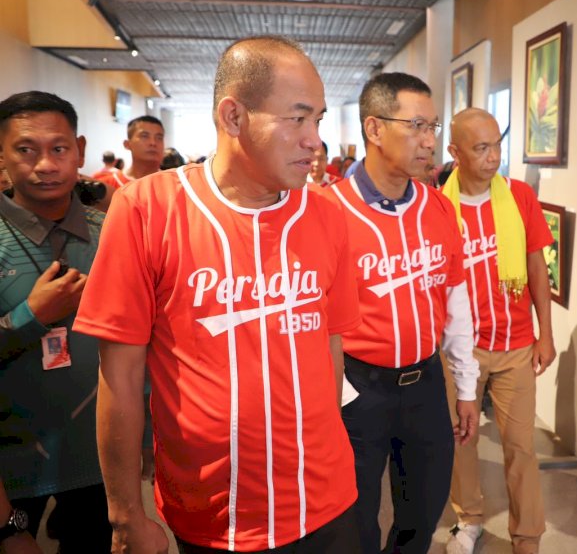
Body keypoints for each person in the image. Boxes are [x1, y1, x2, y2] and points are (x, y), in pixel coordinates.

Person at [73, 35, 363, 554]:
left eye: (317, 120)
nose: (314, 141)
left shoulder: (326, 216)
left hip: (327, 500)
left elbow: (330, 343)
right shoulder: (146, 209)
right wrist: (124, 515)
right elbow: (119, 372)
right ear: (233, 117)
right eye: (297, 119)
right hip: (213, 513)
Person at [327, 72, 479, 554]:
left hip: (425, 385)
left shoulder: (437, 208)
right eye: (416, 125)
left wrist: (467, 387)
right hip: (358, 389)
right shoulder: (327, 212)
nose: (430, 141)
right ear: (374, 129)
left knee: (423, 511)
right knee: (354, 518)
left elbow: (455, 301)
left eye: (433, 127)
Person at [0, 91, 111, 553]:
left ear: (80, 150)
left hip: (96, 461)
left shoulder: (112, 234)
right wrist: (31, 317)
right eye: (26, 150)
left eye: (59, 149)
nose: (44, 164)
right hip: (12, 470)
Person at [441, 108, 556, 554]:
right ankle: (468, 520)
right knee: (462, 442)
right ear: (455, 152)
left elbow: (535, 269)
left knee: (521, 447)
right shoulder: (437, 206)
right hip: (460, 349)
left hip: (515, 344)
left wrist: (545, 333)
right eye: (481, 148)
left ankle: (527, 536)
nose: (493, 157)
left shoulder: (519, 197)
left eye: (497, 145)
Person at [97, 115, 165, 189]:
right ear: (127, 144)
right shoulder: (106, 186)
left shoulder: (175, 184)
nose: (153, 143)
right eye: (144, 136)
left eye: (159, 138)